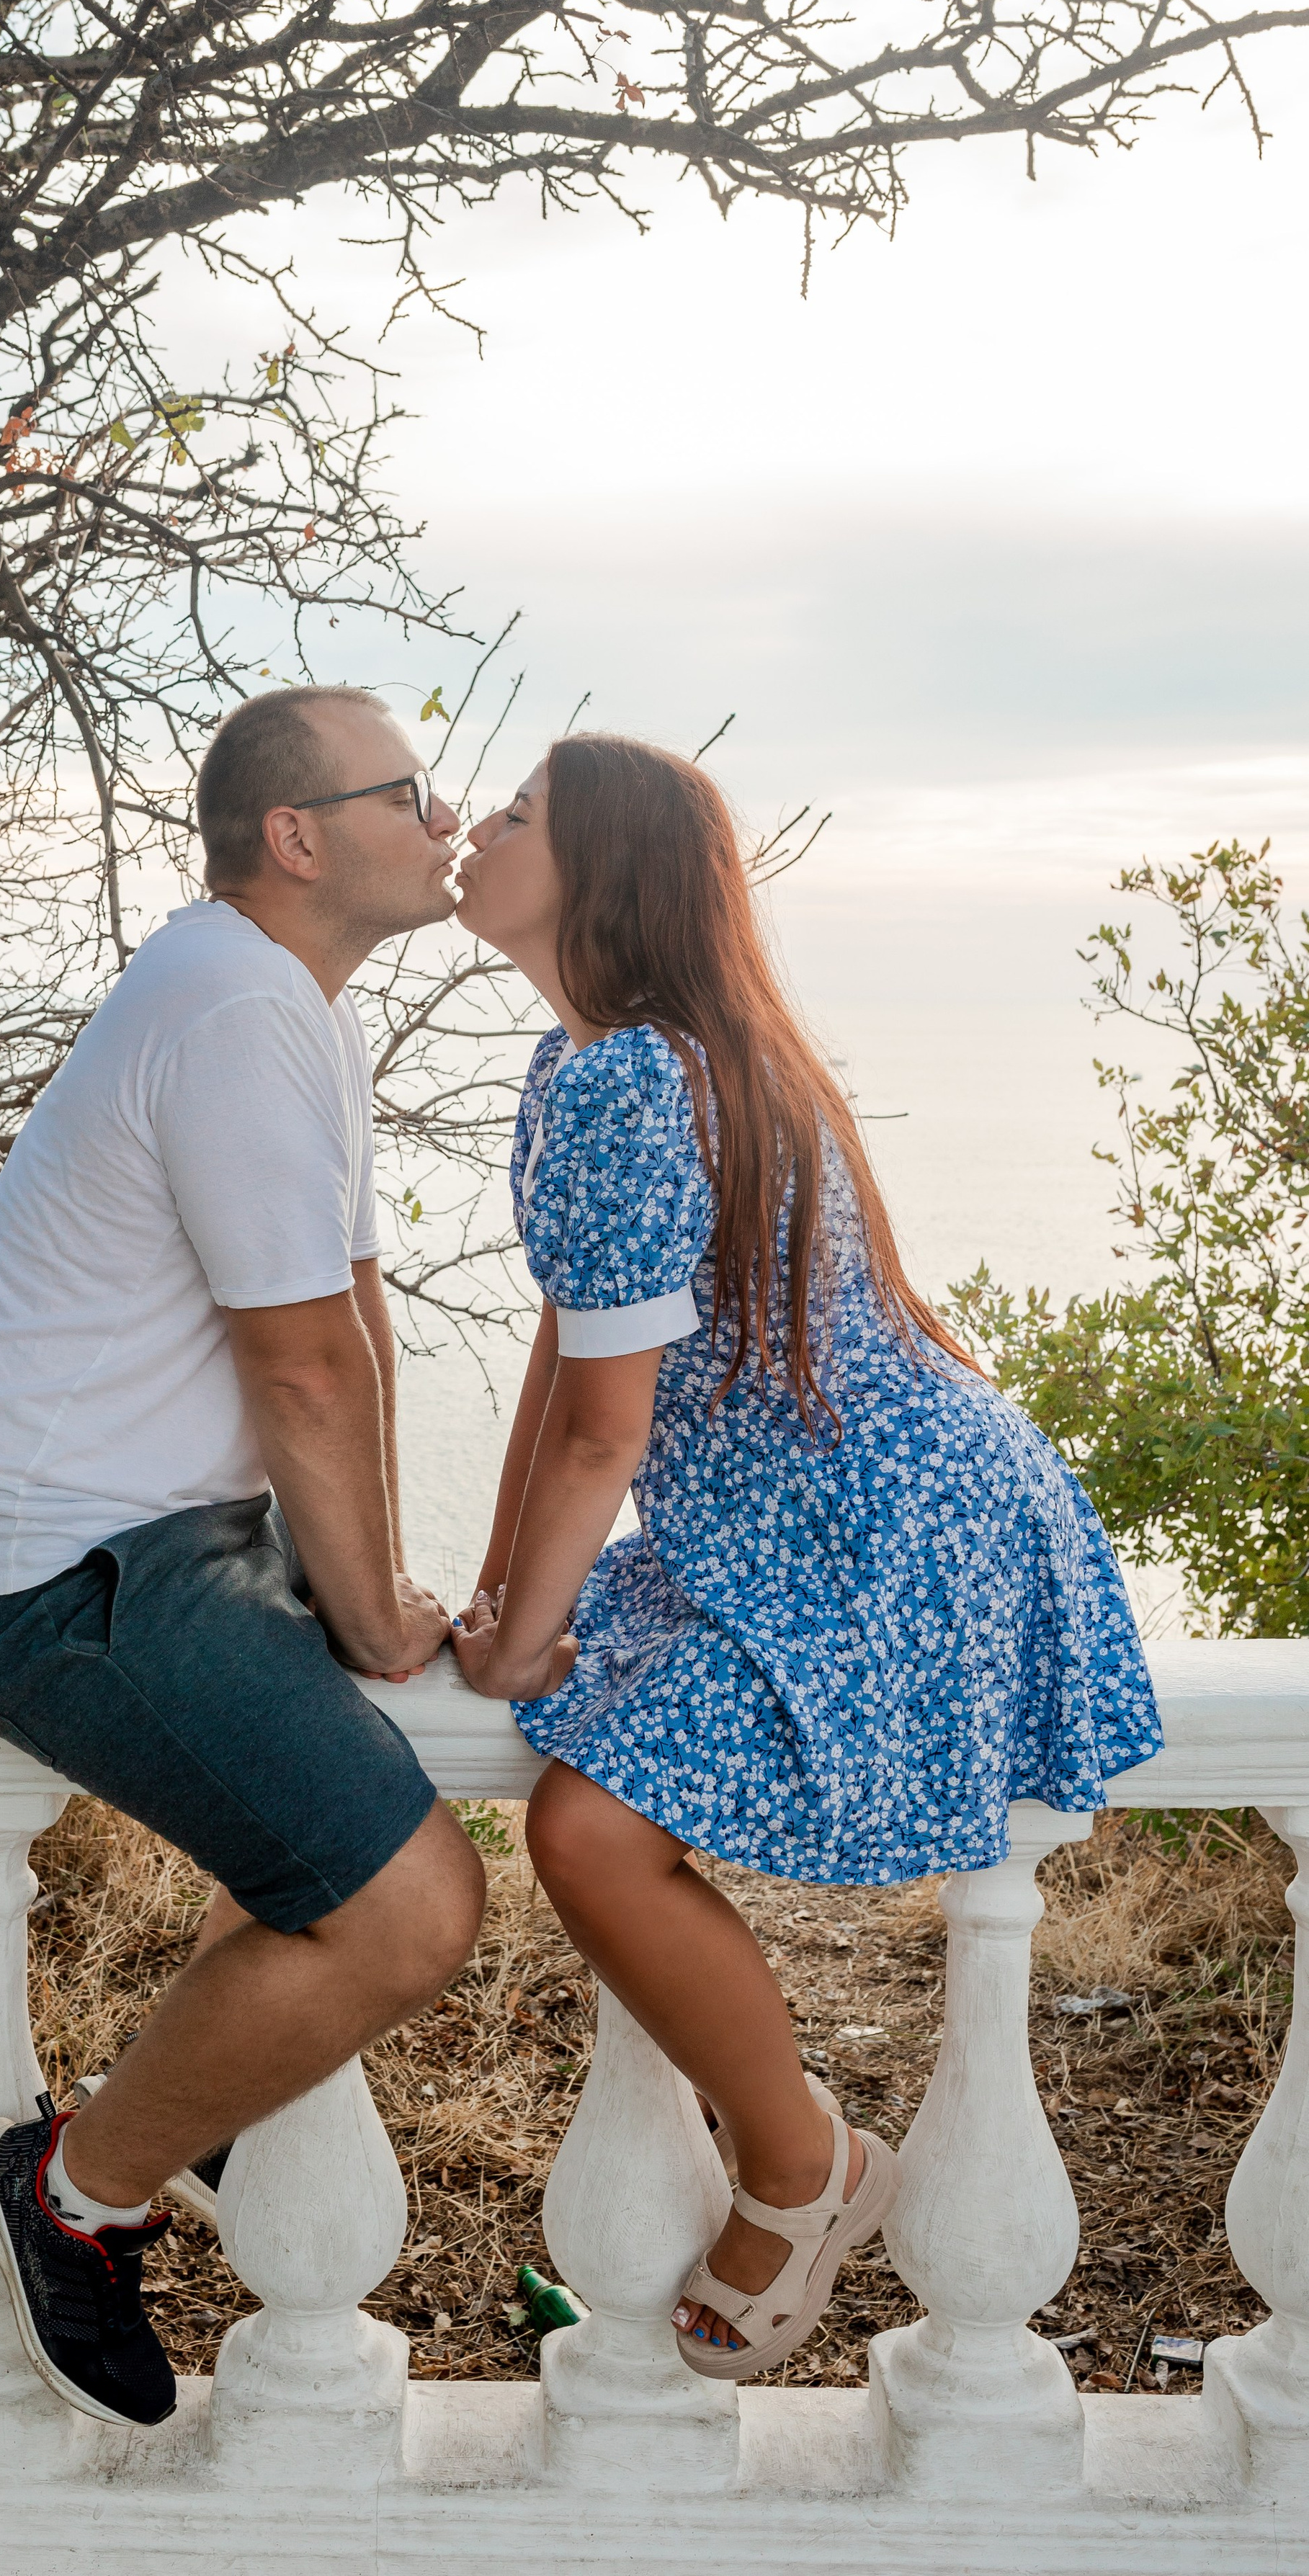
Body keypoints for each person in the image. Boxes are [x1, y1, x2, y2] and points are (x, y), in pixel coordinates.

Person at [447, 733, 1162, 2382]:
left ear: (597, 871)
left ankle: (800, 2161)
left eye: (515, 815)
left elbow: (603, 1437)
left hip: (883, 1531)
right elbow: (572, 1360)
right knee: (587, 1792)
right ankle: (796, 2154)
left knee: (590, 1832)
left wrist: (516, 1635)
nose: (472, 830)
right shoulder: (600, 1067)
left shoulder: (636, 1082)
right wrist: (504, 1601)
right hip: (831, 1509)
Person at [0, 686, 485, 2428]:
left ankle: (198, 2090)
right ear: (296, 837)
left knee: (312, 1850)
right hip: (49, 1576)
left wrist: (365, 1578)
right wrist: (369, 1607)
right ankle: (75, 2189)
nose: (443, 818)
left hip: (158, 1534)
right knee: (404, 1909)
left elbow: (348, 1322)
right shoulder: (230, 1007)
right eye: (407, 792)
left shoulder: (273, 1003)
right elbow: (294, 1365)